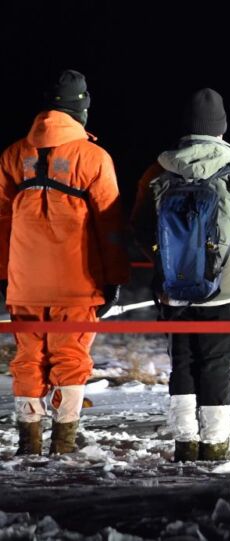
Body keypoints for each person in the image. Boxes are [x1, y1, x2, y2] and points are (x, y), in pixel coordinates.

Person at [131, 88, 230, 462]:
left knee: (183, 362)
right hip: (223, 290)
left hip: (173, 289)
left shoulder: (159, 169)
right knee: (216, 364)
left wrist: (167, 261)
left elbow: (141, 227)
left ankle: (185, 441)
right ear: (221, 127)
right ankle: (214, 444)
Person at [0, 69, 130, 455]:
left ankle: (29, 438)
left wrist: (5, 274)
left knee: (27, 358)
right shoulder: (93, 156)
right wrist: (114, 277)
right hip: (78, 279)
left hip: (24, 282)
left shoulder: (12, 155)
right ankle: (64, 438)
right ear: (81, 109)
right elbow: (110, 225)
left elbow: (1, 222)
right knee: (71, 358)